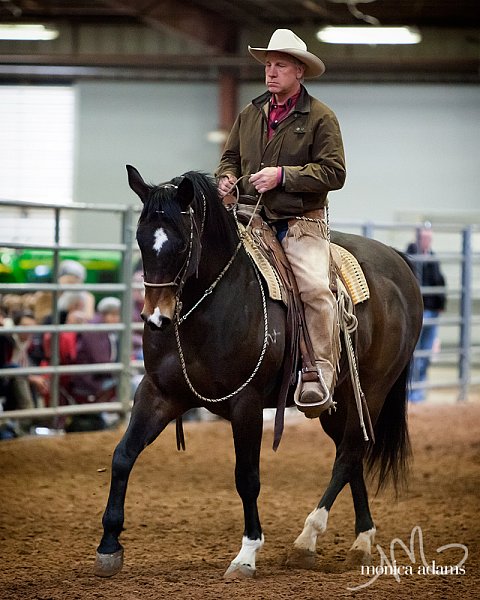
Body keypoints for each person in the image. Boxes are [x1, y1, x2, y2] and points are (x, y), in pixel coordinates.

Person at [216, 29, 346, 418]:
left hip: (300, 221)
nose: (271, 72)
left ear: (299, 71)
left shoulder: (321, 117)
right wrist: (225, 177)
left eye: (280, 66)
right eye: (269, 65)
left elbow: (334, 172)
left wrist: (283, 177)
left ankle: (320, 370)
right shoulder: (250, 113)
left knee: (314, 287)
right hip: (251, 217)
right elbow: (231, 157)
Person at [406, 224, 447, 402]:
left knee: (426, 353)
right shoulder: (411, 256)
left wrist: (440, 305)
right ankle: (412, 392)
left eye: (429, 238)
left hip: (432, 313)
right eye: (425, 237)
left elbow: (440, 283)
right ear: (418, 238)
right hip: (418, 312)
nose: (427, 241)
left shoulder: (432, 257)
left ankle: (419, 389)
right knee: (414, 353)